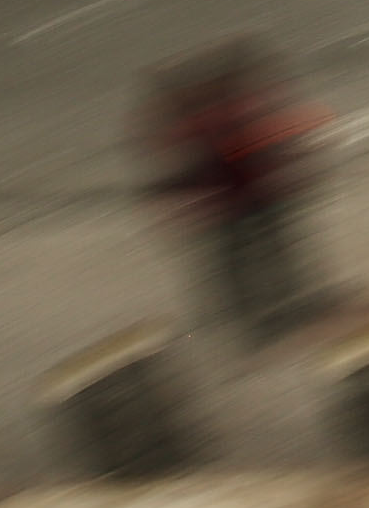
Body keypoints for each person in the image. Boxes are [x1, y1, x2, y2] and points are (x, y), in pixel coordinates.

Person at [140, 44, 327, 343]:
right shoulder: (231, 110)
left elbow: (185, 165)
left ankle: (254, 319)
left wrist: (169, 197)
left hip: (236, 204)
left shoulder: (208, 116)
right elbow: (269, 143)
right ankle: (274, 313)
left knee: (242, 265)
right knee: (271, 256)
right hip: (252, 200)